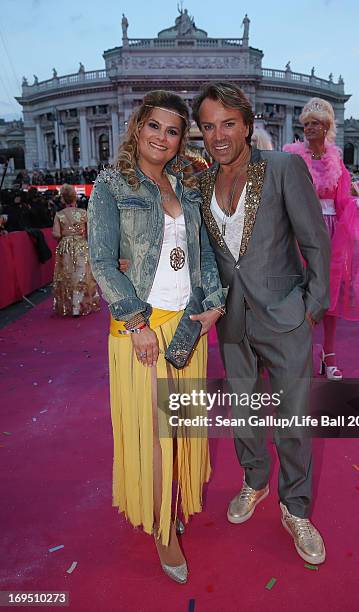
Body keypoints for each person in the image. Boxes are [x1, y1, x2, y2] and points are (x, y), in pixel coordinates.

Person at [87, 90, 225, 584]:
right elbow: (103, 261)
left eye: (172, 131)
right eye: (154, 126)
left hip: (189, 325)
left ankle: (174, 498)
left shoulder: (184, 188)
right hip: (140, 330)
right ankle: (162, 527)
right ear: (137, 126)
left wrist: (212, 304)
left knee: (182, 427)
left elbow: (203, 251)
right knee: (152, 431)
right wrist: (135, 323)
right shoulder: (110, 185)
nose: (162, 138)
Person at [192, 82, 330, 565]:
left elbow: (315, 240)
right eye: (208, 126)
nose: (219, 135)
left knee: (292, 419)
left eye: (228, 123)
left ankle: (296, 509)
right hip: (231, 320)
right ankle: (254, 482)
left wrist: (313, 305)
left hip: (287, 316)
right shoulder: (203, 183)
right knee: (244, 415)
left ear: (247, 125)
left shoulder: (283, 168)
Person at [284, 98, 359, 380]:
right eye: (305, 124)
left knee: (329, 296)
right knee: (299, 296)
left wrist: (357, 209)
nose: (308, 129)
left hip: (331, 233)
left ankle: (329, 355)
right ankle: (301, 354)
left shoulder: (337, 161)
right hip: (299, 232)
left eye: (314, 124)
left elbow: (344, 200)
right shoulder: (292, 157)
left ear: (327, 125)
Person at [52, 183, 99, 316]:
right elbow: (91, 232)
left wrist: (65, 234)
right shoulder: (83, 213)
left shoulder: (59, 215)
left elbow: (56, 234)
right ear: (75, 198)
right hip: (81, 245)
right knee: (82, 274)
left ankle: (71, 306)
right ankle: (78, 306)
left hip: (65, 246)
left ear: (62, 199)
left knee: (67, 275)